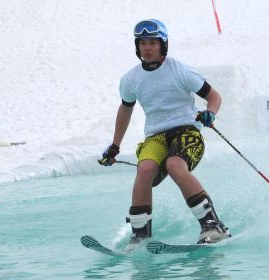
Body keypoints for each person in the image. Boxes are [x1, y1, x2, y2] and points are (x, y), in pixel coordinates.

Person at [99, 19, 231, 246]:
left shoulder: (180, 70)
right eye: (142, 43)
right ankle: (140, 236)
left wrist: (211, 113)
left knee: (174, 165)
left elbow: (214, 97)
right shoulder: (130, 79)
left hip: (187, 131)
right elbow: (125, 110)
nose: (147, 48)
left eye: (152, 42)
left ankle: (212, 226)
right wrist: (115, 146)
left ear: (163, 45)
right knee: (145, 168)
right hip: (156, 137)